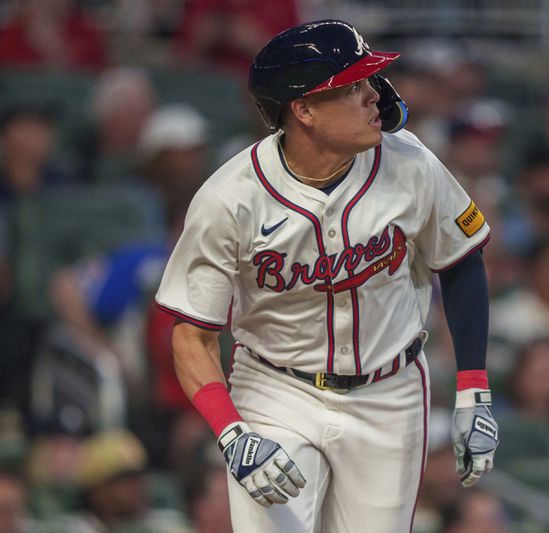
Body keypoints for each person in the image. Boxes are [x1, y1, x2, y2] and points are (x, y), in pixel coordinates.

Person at [154, 19, 499, 532]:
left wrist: (474, 387)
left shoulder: (411, 163)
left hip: (391, 391)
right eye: (353, 87)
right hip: (277, 390)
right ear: (304, 109)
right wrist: (231, 433)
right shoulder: (230, 198)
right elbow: (192, 333)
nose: (373, 97)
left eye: (368, 83)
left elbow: (462, 260)